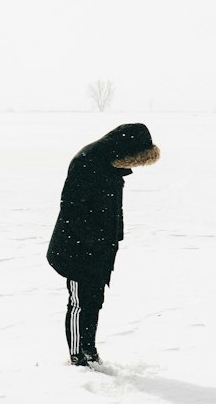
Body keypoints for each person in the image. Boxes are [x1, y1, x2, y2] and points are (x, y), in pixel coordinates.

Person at [46, 123, 160, 367]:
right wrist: (93, 240)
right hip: (76, 246)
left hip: (102, 246)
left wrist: (113, 238)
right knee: (80, 301)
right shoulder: (87, 161)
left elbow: (111, 207)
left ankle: (90, 350)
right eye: (135, 159)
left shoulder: (113, 162)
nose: (134, 165)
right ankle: (77, 356)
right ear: (126, 148)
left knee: (95, 300)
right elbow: (71, 209)